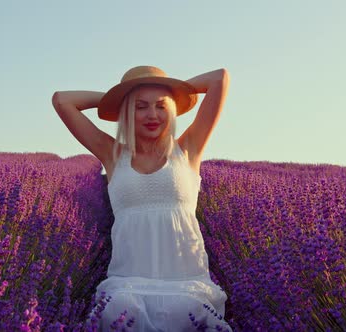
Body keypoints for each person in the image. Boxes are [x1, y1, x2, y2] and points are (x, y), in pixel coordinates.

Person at [52, 65, 232, 331]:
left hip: (186, 287)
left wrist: (175, 90)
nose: (152, 115)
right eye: (140, 107)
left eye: (161, 106)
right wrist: (117, 98)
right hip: (127, 288)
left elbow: (220, 78)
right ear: (126, 113)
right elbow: (62, 100)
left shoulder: (188, 148)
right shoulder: (112, 154)